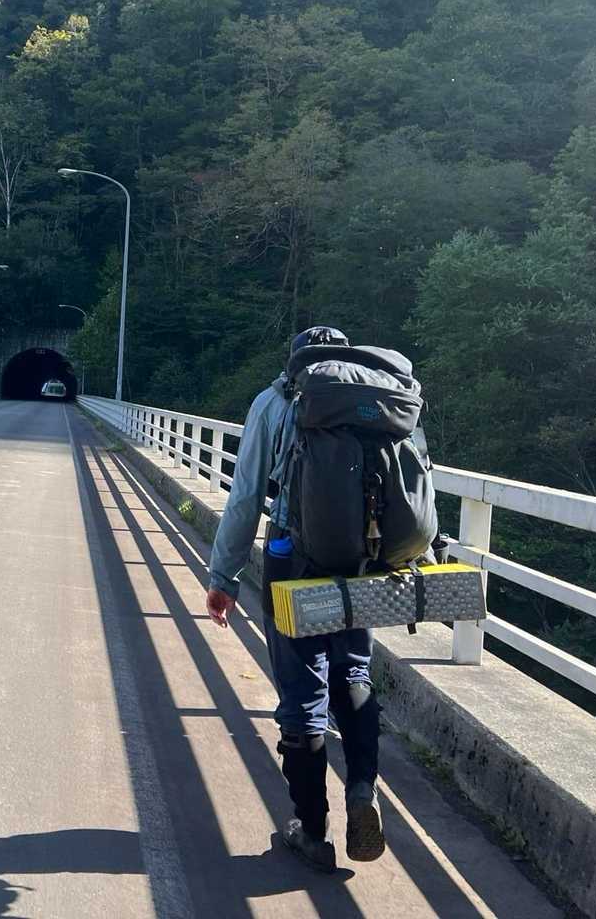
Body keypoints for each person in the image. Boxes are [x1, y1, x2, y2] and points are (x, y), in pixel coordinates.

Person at [204, 325, 385, 872]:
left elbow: (246, 495)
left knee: (304, 689)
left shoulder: (276, 399)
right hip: (361, 558)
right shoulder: (372, 398)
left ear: (295, 360)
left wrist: (224, 576)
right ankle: (362, 788)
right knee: (353, 670)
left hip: (294, 557)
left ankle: (312, 830)